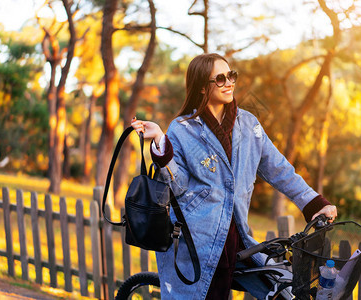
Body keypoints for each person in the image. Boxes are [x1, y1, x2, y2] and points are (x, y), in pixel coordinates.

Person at [131, 53, 337, 299]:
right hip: (197, 240)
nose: (229, 82)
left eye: (231, 75)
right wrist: (160, 142)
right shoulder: (182, 128)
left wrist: (313, 202)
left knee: (285, 292)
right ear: (201, 87)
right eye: (219, 78)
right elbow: (179, 185)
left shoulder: (249, 124)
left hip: (239, 238)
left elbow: (278, 168)